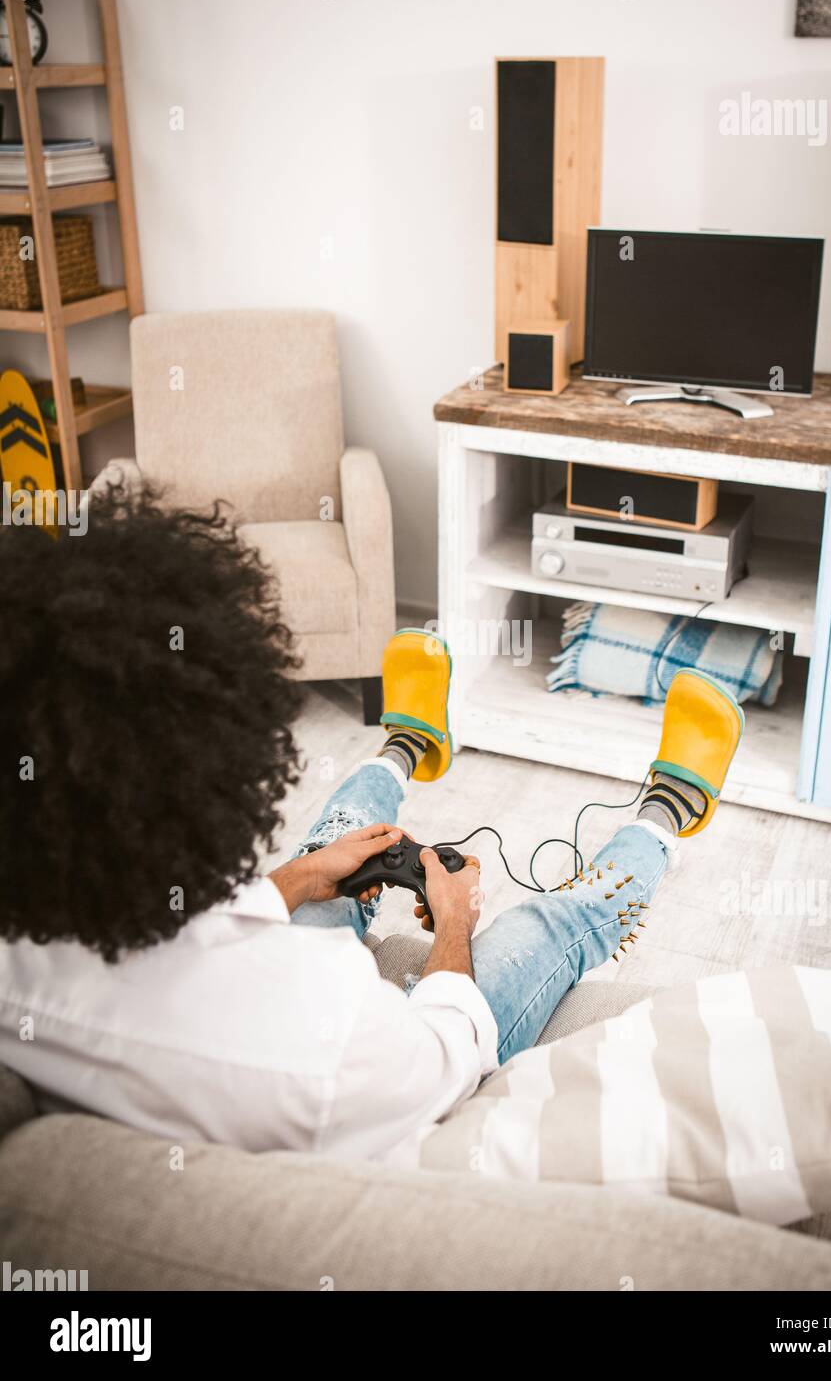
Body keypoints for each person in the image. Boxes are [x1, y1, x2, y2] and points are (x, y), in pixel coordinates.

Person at [0, 481, 742, 1161]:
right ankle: (667, 812)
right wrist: (452, 924)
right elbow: (446, 1042)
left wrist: (285, 883)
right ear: (224, 778)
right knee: (551, 924)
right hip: (385, 1061)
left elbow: (181, 933)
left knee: (333, 855)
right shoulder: (329, 1026)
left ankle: (408, 745)